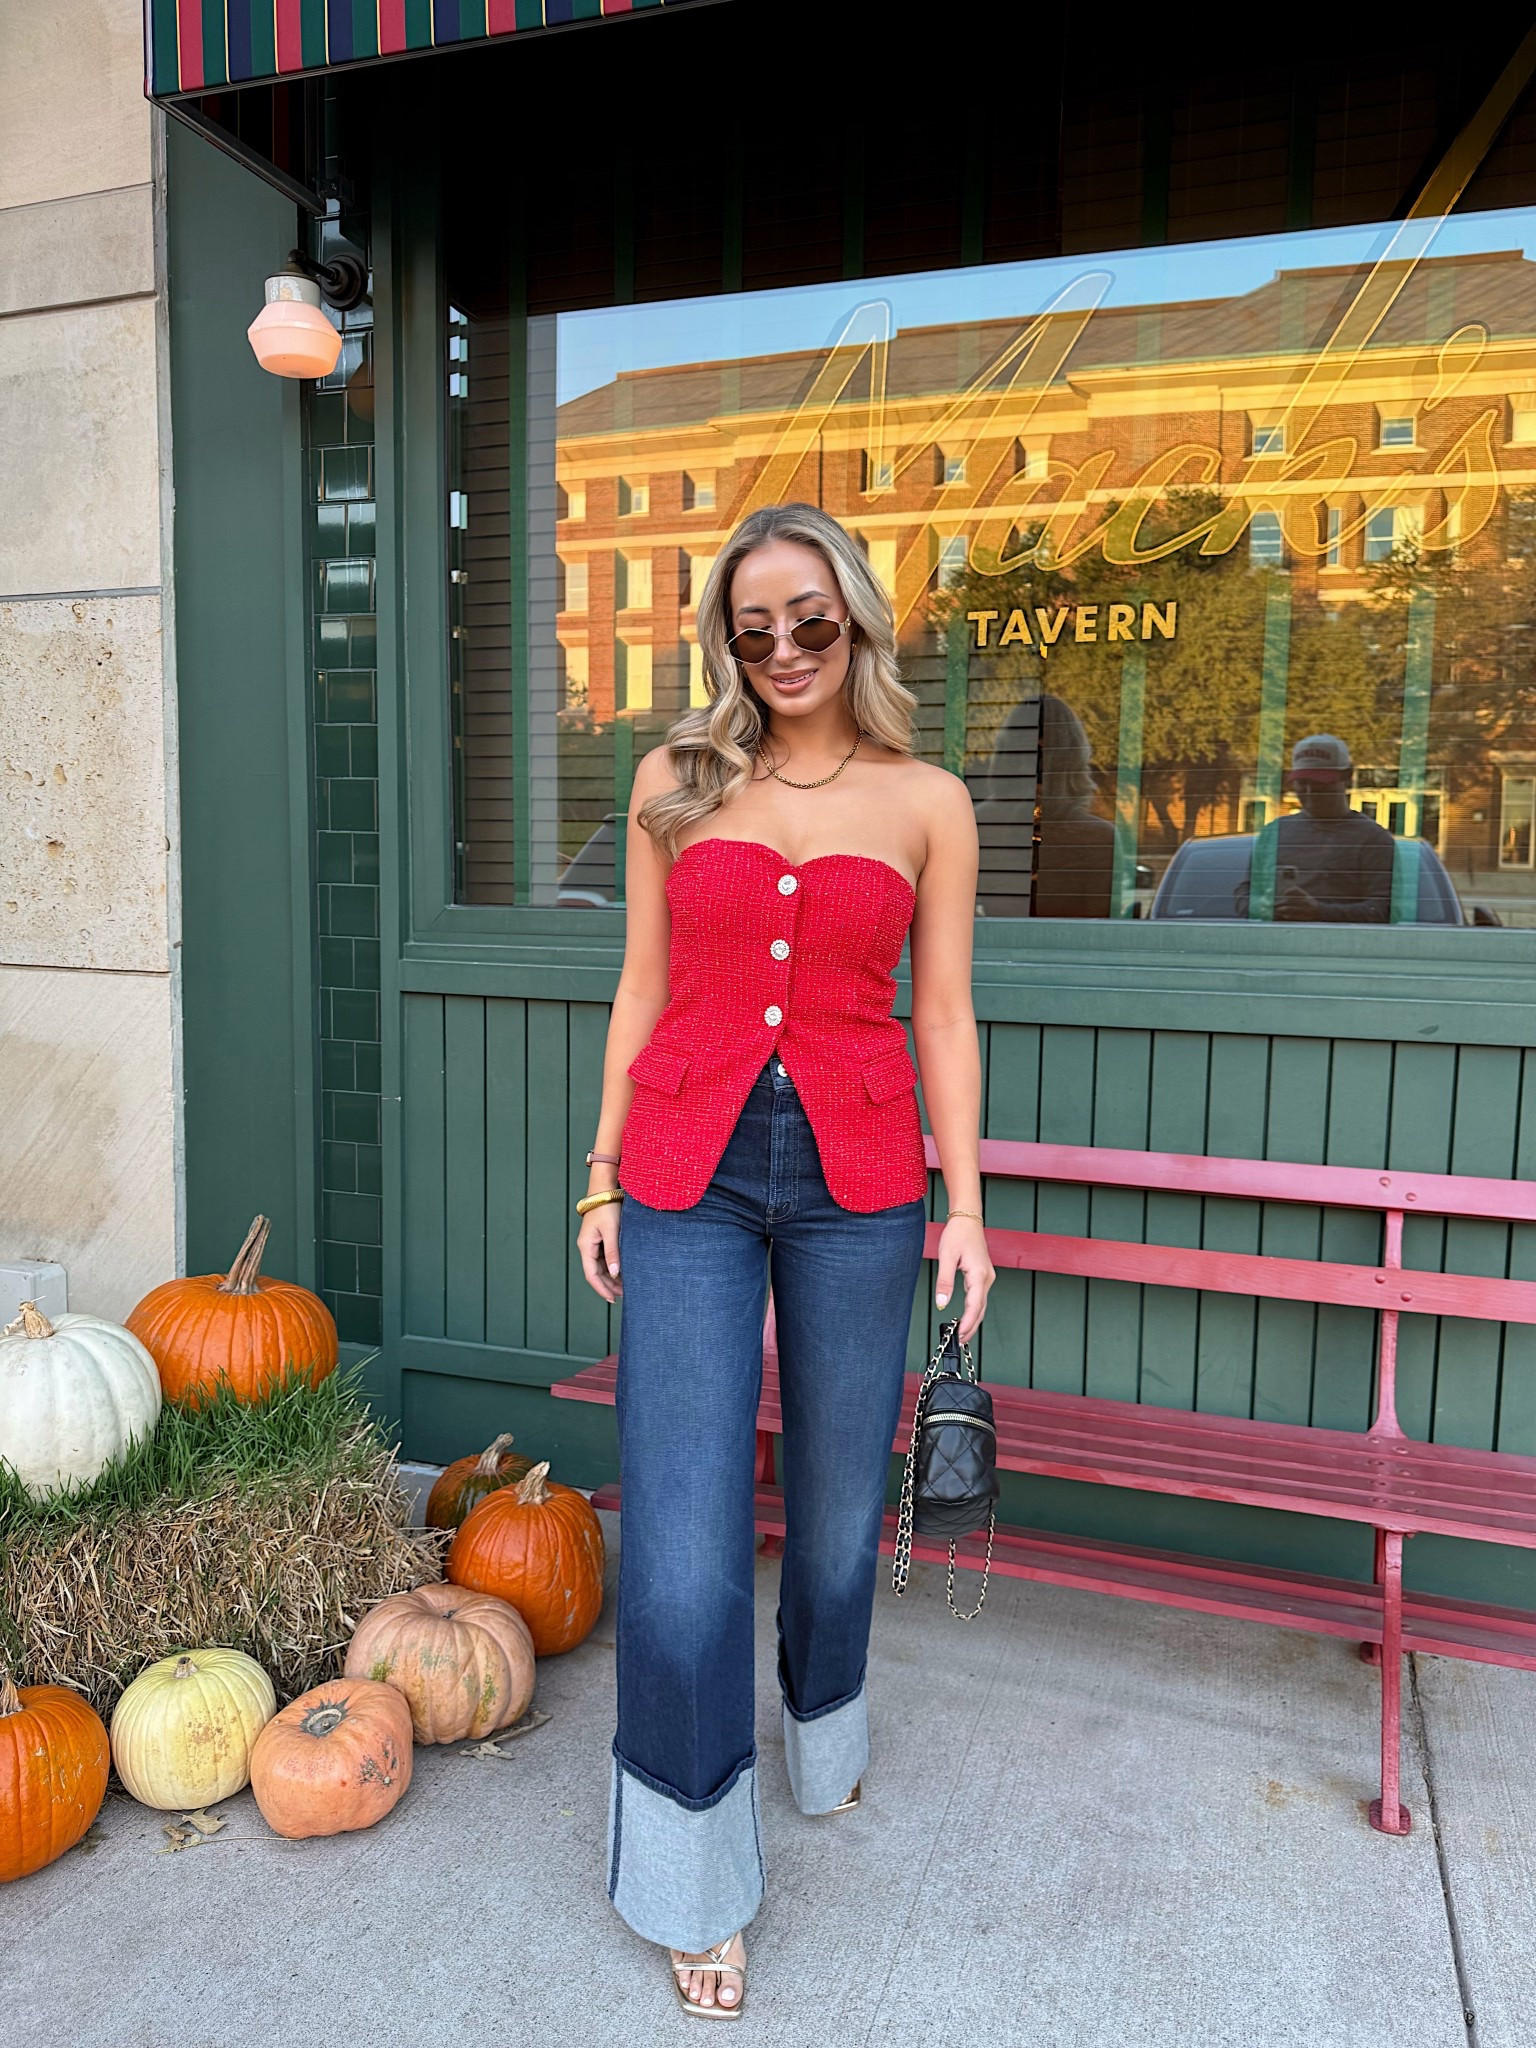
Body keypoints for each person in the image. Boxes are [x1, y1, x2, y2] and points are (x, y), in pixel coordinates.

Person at [574, 501, 995, 2018]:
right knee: (681, 1538)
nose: (784, 652)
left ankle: (826, 1732)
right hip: (688, 1167)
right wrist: (603, 1174)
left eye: (811, 621)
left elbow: (941, 1012)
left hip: (861, 1177)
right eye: (753, 630)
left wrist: (966, 1205)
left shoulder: (927, 799)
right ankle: (692, 1877)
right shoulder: (675, 783)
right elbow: (641, 984)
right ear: (723, 643)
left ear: (859, 622)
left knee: (828, 1507)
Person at [971, 693, 1115, 918]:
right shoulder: (978, 827)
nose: (1036, 770)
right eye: (1030, 756)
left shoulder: (1098, 838)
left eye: (1045, 757)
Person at [1237, 734, 1395, 922]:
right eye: (1303, 783)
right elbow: (1245, 893)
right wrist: (1265, 907)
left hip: (1337, 947)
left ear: (1347, 778)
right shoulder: (1274, 833)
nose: (1310, 791)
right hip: (1278, 945)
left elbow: (1383, 910)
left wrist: (1320, 912)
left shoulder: (1372, 839)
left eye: (1320, 783)